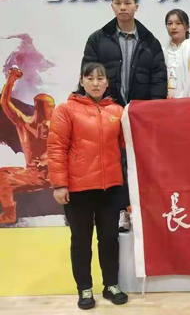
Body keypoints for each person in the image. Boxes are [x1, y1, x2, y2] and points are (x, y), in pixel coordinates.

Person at [81, 0, 167, 231]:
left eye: (127, 3)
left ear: (136, 7)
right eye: (118, 3)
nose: (122, 7)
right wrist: (97, 107)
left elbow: (158, 80)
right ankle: (120, 211)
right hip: (107, 111)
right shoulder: (98, 39)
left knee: (140, 163)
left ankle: (142, 211)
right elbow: (88, 75)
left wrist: (151, 112)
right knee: (113, 163)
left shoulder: (150, 41)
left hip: (139, 115)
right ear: (112, 6)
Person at [47, 62, 129, 310]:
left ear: (107, 82)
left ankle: (111, 285)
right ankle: (84, 289)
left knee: (110, 239)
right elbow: (56, 148)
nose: (95, 83)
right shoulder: (66, 110)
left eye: (100, 78)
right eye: (90, 78)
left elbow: (129, 145)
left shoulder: (118, 111)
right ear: (82, 81)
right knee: (81, 241)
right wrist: (59, 184)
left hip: (110, 188)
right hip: (78, 189)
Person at [0, 66, 54, 223]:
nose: (49, 116)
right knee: (2, 174)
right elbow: (5, 103)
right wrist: (11, 80)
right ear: (37, 110)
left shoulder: (57, 126)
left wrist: (48, 159)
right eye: (47, 110)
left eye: (51, 110)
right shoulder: (24, 124)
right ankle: (9, 213)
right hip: (33, 174)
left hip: (54, 174)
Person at [164, 9, 190, 98]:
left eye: (178, 23)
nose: (173, 27)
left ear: (187, 27)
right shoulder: (162, 53)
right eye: (169, 23)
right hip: (168, 101)